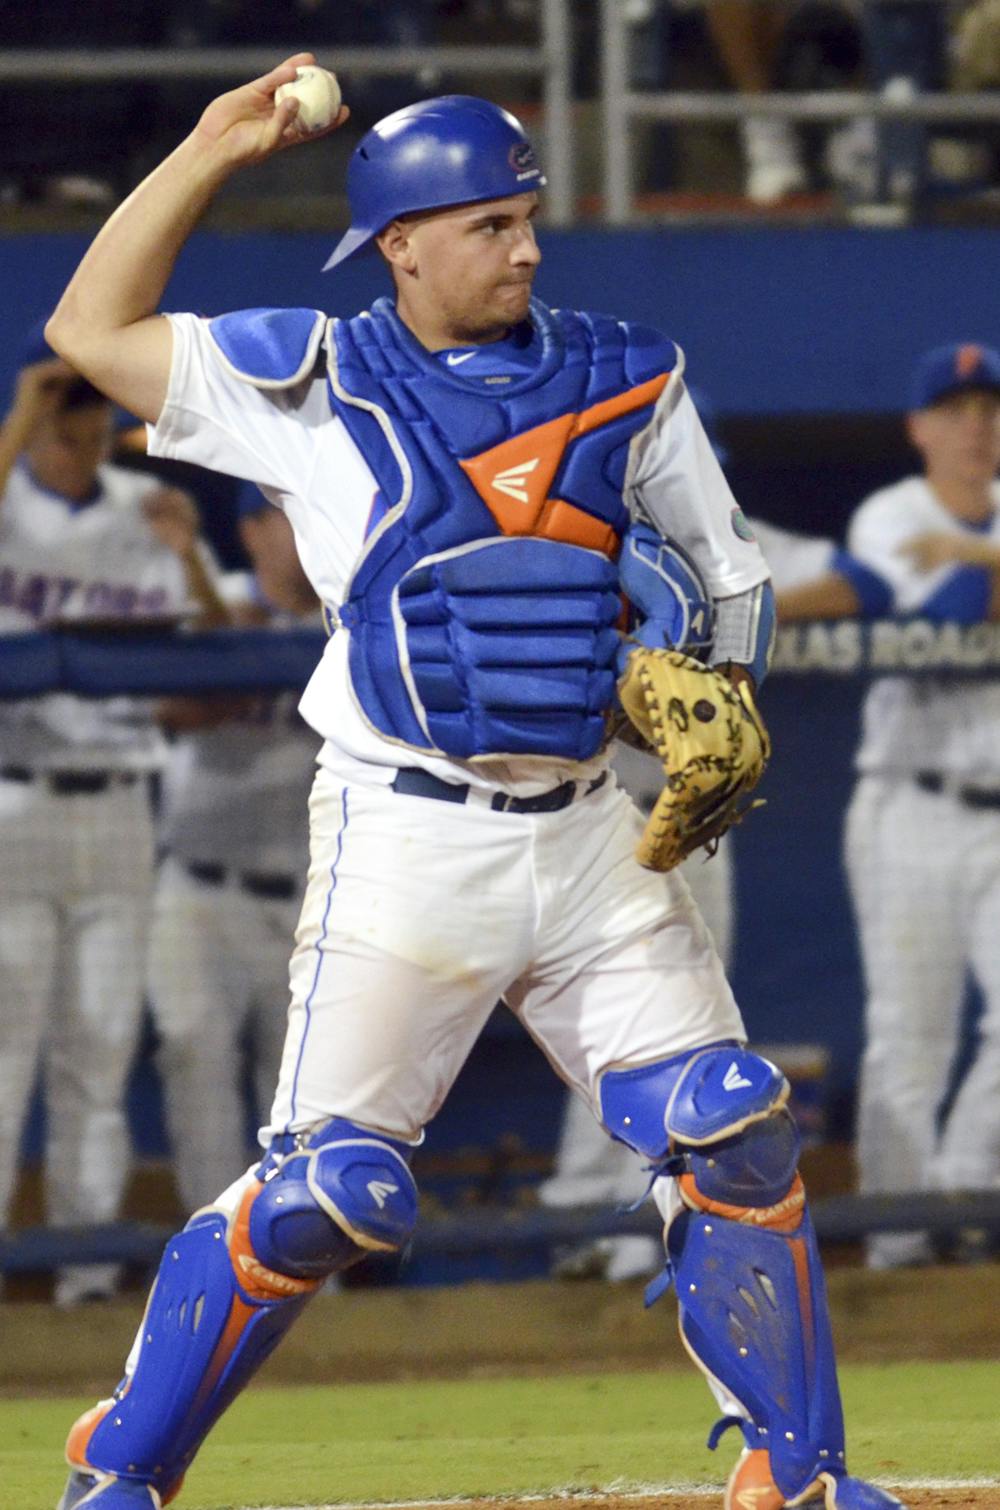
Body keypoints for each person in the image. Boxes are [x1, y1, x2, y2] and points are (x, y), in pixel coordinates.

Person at [45, 59, 903, 1510]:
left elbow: (735, 585)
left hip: (586, 837)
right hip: (405, 836)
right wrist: (208, 148)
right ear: (404, 244)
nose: (527, 243)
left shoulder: (632, 371)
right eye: (493, 222)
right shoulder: (310, 380)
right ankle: (122, 1464)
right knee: (331, 1198)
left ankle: (798, 1474)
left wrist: (696, 662)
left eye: (527, 215)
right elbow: (89, 327)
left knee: (735, 1125)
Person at [541, 514, 891, 1284]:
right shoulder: (578, 531)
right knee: (603, 1024)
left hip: (690, 815)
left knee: (679, 1021)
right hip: (588, 811)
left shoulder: (729, 538)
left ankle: (638, 1230)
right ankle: (585, 1220)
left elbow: (864, 584)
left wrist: (746, 608)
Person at [0, 326, 224, 1308]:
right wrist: (18, 418)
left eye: (89, 428)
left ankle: (85, 1275)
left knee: (98, 1047)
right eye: (62, 428)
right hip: (17, 794)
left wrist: (191, 563)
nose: (79, 444)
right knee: (5, 1051)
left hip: (123, 799)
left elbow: (215, 648)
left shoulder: (146, 506)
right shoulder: (8, 490)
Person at [844, 341, 1000, 1271]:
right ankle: (898, 1245)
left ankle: (964, 1195)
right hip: (911, 803)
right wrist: (978, 567)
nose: (976, 425)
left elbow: (971, 581)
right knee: (909, 1031)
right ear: (919, 427)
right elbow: (943, 619)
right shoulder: (887, 516)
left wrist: (976, 554)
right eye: (955, 409)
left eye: (989, 408)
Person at [147, 491, 321, 1213]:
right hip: (201, 892)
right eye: (288, 514)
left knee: (309, 1096)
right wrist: (235, 650)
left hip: (313, 905)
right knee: (197, 1068)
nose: (309, 529)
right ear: (250, 530)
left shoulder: (355, 618)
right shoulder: (209, 598)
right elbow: (172, 710)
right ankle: (215, 1253)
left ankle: (308, 1278)